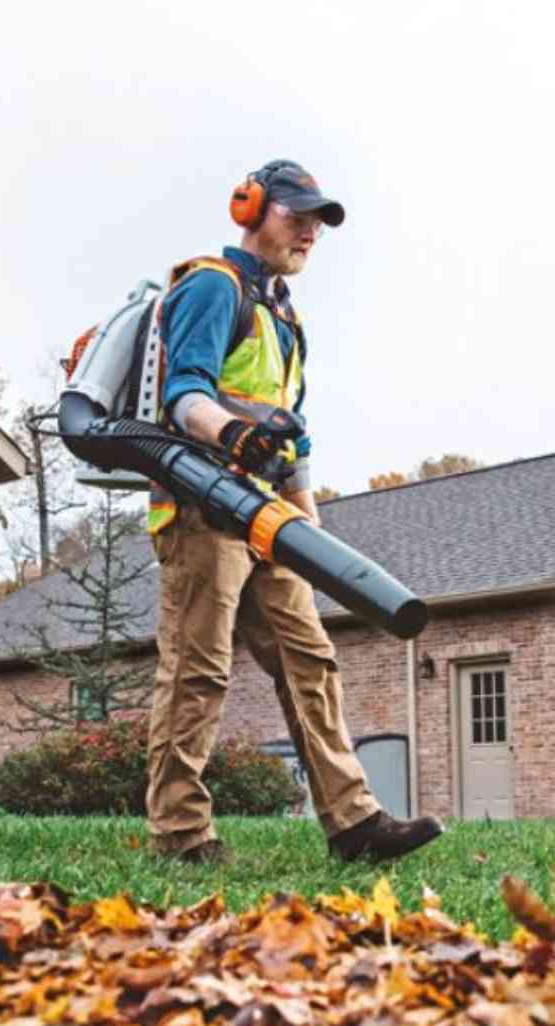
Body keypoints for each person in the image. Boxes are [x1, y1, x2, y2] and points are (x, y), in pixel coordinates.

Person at [143, 159, 444, 867]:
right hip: (201, 506)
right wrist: (231, 434)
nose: (308, 230)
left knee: (310, 658)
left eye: (318, 220)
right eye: (295, 214)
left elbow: (292, 433)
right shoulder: (214, 288)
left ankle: (354, 821)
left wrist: (309, 532)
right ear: (250, 208)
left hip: (267, 515)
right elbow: (183, 396)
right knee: (198, 667)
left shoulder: (285, 315)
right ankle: (178, 832)